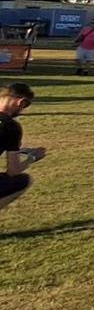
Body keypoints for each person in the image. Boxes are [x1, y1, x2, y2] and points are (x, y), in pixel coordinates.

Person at [0, 83, 40, 213]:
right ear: (21, 103)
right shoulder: (10, 127)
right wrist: (32, 158)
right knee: (23, 180)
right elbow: (13, 171)